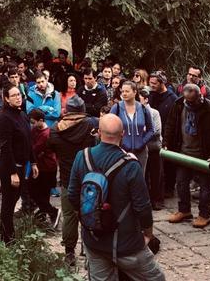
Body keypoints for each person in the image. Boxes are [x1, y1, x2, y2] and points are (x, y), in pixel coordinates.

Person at [68, 115, 165, 280]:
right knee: (156, 278)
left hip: (94, 241)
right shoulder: (131, 165)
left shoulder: (82, 156)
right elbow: (142, 206)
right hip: (126, 244)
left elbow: (72, 195)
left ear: (99, 132)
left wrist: (87, 218)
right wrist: (148, 234)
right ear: (123, 134)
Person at [164, 83, 210, 228]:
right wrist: (166, 143)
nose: (190, 104)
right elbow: (170, 125)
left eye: (193, 101)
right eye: (188, 101)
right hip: (183, 152)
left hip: (204, 155)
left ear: (200, 96)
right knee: (181, 183)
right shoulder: (178, 105)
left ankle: (204, 214)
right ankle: (184, 210)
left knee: (206, 187)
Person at [47, 94, 95, 267]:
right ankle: (89, 252)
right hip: (89, 179)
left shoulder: (55, 129)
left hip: (68, 180)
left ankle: (69, 253)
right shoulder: (91, 125)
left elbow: (50, 147)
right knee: (90, 216)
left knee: (69, 216)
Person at [0, 83, 38, 244]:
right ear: (7, 99)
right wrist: (13, 172)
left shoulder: (22, 114)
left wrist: (33, 162)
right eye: (13, 95)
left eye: (19, 94)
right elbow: (6, 147)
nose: (18, 97)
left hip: (23, 165)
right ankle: (7, 240)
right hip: (10, 168)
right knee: (8, 204)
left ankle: (9, 236)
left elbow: (28, 140)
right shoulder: (4, 117)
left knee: (14, 201)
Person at [110, 81, 154, 172]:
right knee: (122, 176)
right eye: (122, 91)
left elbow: (151, 130)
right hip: (121, 151)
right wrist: (119, 143)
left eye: (127, 91)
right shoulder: (116, 108)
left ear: (135, 92)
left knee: (138, 177)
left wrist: (142, 142)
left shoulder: (143, 109)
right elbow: (109, 128)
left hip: (141, 152)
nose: (124, 94)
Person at [29, 109, 61, 227]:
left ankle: (52, 211)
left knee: (38, 191)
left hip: (47, 167)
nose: (32, 125)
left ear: (41, 120)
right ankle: (44, 212)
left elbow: (34, 149)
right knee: (37, 191)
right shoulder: (35, 129)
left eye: (33, 122)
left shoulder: (46, 134)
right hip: (39, 165)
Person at [148, 70, 177, 197]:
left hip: (168, 136)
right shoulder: (151, 95)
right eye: (150, 83)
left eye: (154, 83)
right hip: (153, 136)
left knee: (169, 164)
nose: (151, 85)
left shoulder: (172, 99)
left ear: (162, 83)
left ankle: (169, 188)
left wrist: (168, 139)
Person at [139, 87, 163, 210]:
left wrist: (143, 132)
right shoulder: (136, 113)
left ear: (146, 99)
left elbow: (156, 130)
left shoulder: (154, 113)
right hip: (141, 148)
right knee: (143, 175)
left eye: (139, 99)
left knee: (155, 175)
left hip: (153, 148)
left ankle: (157, 200)